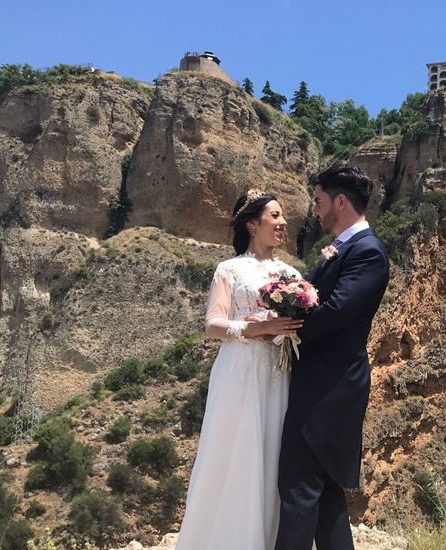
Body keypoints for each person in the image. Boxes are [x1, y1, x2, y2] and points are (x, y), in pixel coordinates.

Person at [176, 190, 304, 550]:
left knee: (273, 453)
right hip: (240, 371)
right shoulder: (229, 270)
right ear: (252, 223)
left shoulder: (290, 273)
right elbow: (212, 324)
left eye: (283, 217)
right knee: (235, 452)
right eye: (275, 216)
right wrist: (253, 329)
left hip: (278, 373)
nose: (283, 223)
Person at [275, 166, 390, 550]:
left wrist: (283, 330)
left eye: (319, 202)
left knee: (297, 486)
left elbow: (338, 310)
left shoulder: (368, 251)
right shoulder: (342, 248)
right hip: (321, 384)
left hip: (331, 388)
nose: (315, 211)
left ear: (340, 202)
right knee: (322, 494)